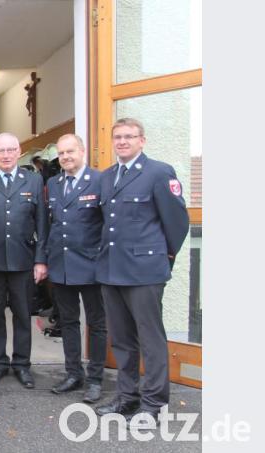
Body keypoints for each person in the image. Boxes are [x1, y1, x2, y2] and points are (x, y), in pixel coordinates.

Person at [94, 118, 189, 428]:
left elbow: (177, 222)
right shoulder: (107, 177)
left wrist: (164, 259)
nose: (122, 142)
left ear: (142, 141)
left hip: (144, 272)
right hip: (111, 269)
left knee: (151, 339)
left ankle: (154, 404)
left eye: (129, 137)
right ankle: (126, 396)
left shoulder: (158, 173)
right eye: (118, 137)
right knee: (121, 340)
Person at [0, 132, 48, 389]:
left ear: (19, 152)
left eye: (11, 150)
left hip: (23, 260)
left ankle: (21, 364)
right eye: (1, 150)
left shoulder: (33, 179)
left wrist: (41, 260)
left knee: (22, 315)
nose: (6, 155)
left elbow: (42, 223)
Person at [45, 133, 107, 404]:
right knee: (68, 322)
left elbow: (108, 223)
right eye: (61, 153)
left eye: (70, 151)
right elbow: (51, 224)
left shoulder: (100, 180)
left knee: (97, 324)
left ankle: (95, 379)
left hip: (92, 264)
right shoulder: (53, 183)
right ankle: (74, 373)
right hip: (62, 264)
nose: (66, 157)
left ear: (82, 151)